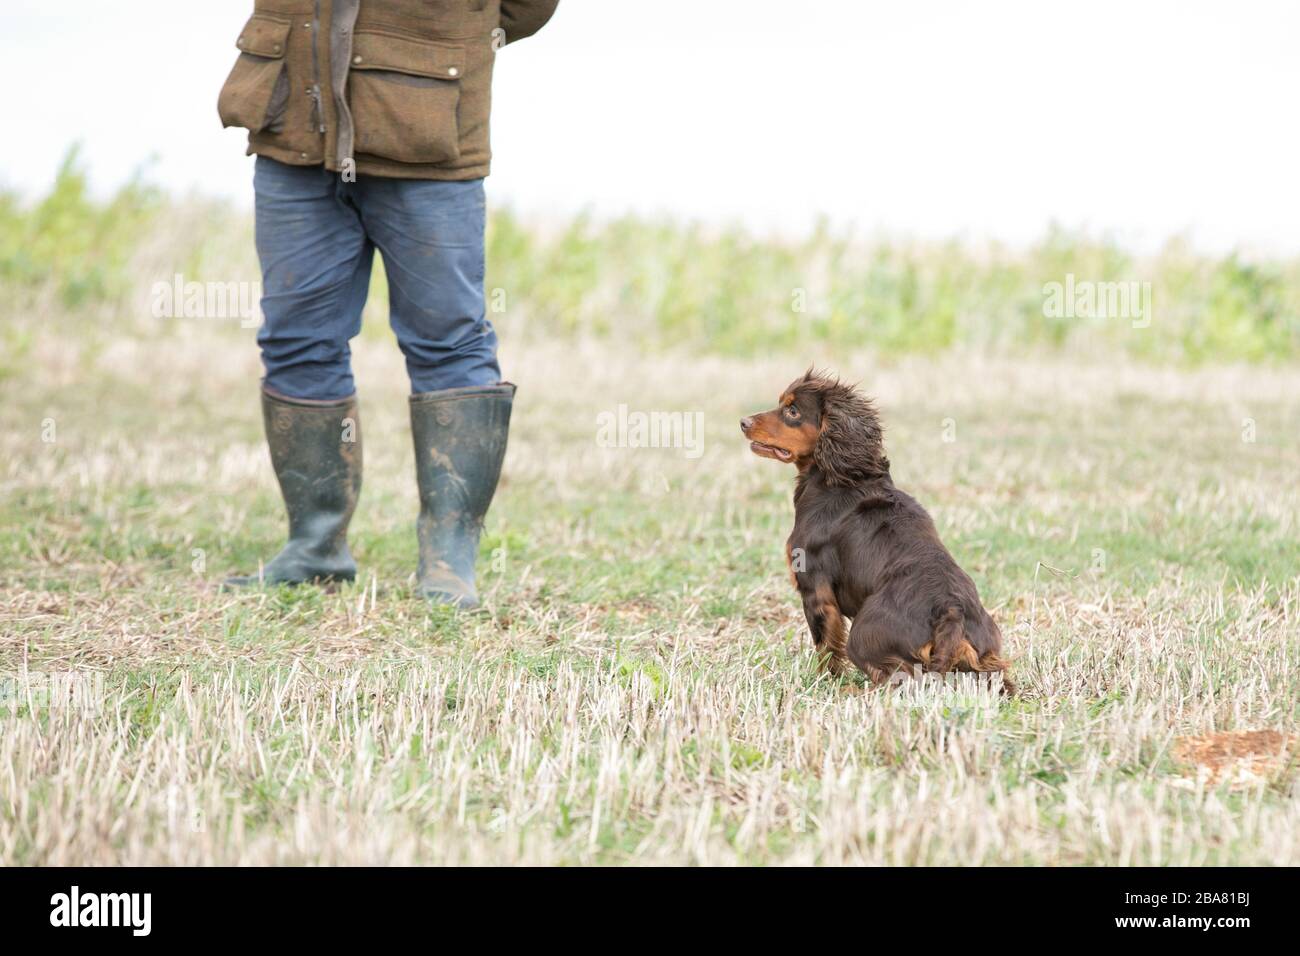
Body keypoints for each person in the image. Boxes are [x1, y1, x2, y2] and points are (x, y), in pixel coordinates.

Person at [217, 1, 559, 607]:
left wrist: (462, 32)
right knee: (295, 340)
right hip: (293, 123)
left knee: (449, 342)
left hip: (429, 134)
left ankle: (448, 567)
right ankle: (314, 549)